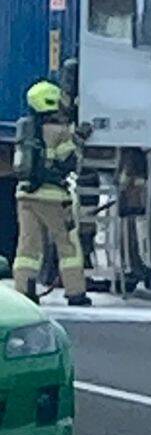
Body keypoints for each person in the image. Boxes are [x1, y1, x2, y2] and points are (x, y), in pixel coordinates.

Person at [11, 81, 91, 307]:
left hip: (25, 196)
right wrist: (78, 139)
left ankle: (23, 292)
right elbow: (68, 162)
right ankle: (75, 293)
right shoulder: (60, 132)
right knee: (68, 246)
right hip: (54, 199)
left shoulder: (25, 129)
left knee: (27, 247)